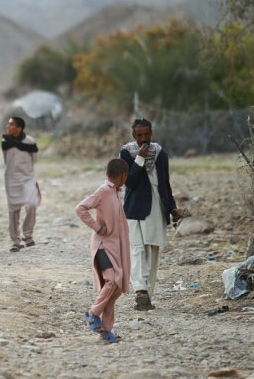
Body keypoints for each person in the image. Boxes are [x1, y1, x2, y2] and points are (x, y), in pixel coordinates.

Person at [120, 118, 180, 311]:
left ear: (151, 133)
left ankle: (147, 296)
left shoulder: (160, 154)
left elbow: (165, 184)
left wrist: (172, 208)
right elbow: (129, 182)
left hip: (156, 207)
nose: (143, 139)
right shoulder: (127, 153)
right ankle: (139, 290)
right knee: (137, 249)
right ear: (133, 135)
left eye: (146, 134)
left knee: (152, 252)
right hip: (134, 208)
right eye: (139, 135)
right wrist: (139, 158)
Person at [75, 158, 131, 344]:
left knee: (116, 289)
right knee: (113, 280)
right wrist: (97, 227)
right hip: (102, 246)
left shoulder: (114, 191)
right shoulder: (104, 191)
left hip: (115, 247)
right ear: (123, 176)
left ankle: (105, 332)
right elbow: (81, 208)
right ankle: (92, 313)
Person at [2, 116, 40, 252]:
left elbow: (33, 159)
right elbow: (6, 159)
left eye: (11, 124)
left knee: (32, 205)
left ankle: (28, 235)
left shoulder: (30, 141)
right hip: (11, 179)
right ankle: (15, 241)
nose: (8, 126)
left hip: (28, 178)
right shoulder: (5, 141)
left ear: (19, 128)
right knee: (13, 211)